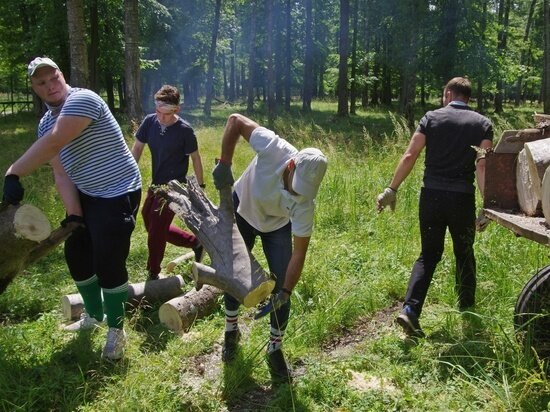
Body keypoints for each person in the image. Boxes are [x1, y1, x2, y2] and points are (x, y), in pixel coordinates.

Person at [2, 56, 142, 360]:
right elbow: (61, 172)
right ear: (35, 88)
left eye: (53, 78)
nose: (49, 85)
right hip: (87, 193)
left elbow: (54, 144)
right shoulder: (46, 122)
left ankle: (117, 330)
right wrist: (75, 214)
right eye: (41, 82)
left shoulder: (83, 100)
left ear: (61, 76)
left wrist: (14, 172)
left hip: (119, 191)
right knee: (77, 254)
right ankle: (93, 316)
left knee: (108, 260)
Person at [212, 113, 328, 384]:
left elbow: (298, 254)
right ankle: (231, 331)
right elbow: (234, 120)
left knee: (280, 283)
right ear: (290, 165)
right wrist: (225, 163)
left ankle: (274, 349)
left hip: (277, 227)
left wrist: (285, 292)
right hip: (244, 209)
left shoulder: (304, 205)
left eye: (303, 192)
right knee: (232, 274)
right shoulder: (274, 147)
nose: (296, 194)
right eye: (295, 186)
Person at [376, 77, 493, 338]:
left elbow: (410, 154)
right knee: (464, 252)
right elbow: (483, 165)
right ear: (468, 98)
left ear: (449, 94)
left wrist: (391, 189)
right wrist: (488, 206)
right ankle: (467, 309)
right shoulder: (483, 124)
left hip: (431, 197)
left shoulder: (431, 118)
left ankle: (410, 310)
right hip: (461, 199)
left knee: (428, 254)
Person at [131, 85, 205, 280]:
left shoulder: (185, 131)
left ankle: (153, 272)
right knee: (149, 223)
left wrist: (200, 185)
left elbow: (196, 158)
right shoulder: (150, 122)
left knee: (155, 231)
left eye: (165, 114)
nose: (160, 117)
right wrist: (129, 172)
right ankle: (196, 243)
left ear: (176, 110)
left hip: (174, 188)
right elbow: (138, 148)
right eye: (158, 112)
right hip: (156, 184)